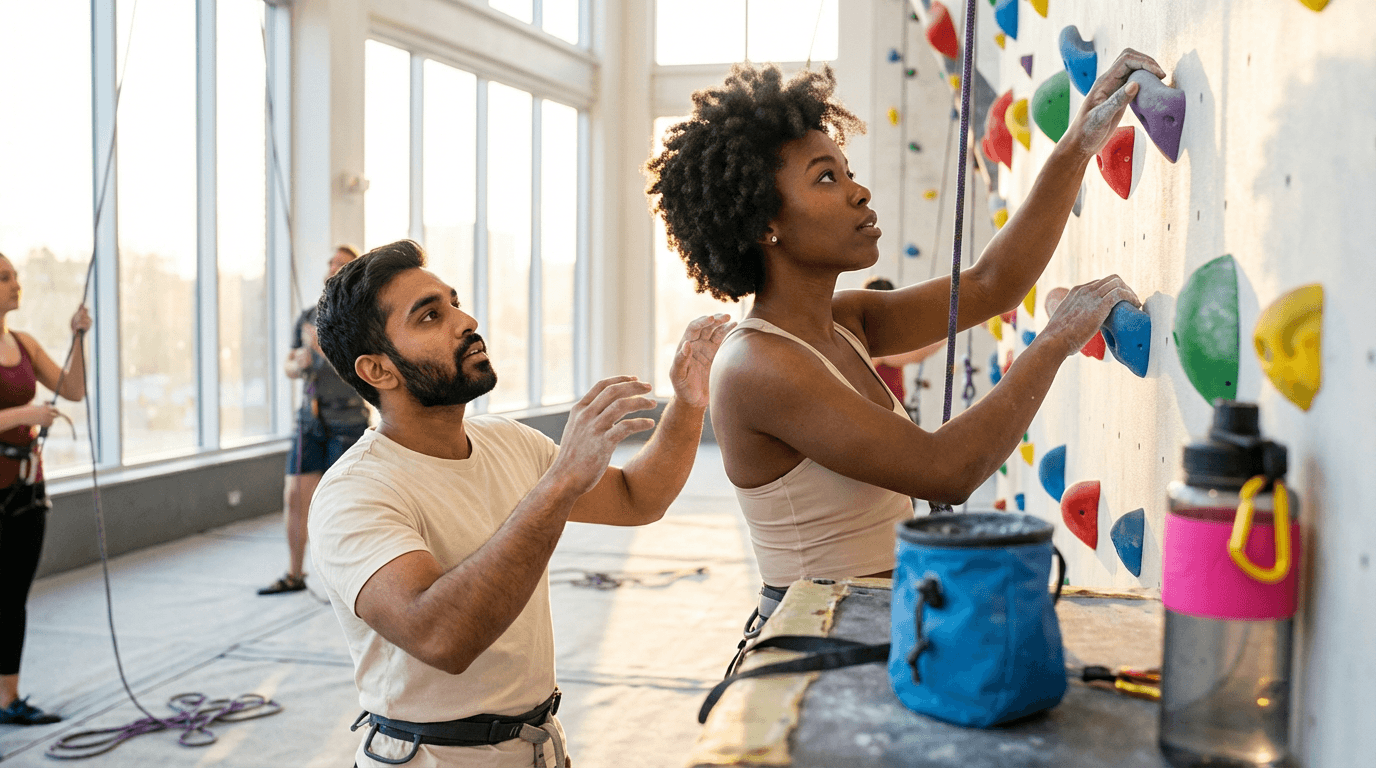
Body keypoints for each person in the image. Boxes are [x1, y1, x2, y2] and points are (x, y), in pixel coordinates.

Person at [645, 54, 1160, 634]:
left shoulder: (845, 321)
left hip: (873, 616)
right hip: (816, 637)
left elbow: (995, 284)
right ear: (767, 224)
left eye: (846, 170)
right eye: (826, 177)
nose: (859, 191)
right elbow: (945, 470)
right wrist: (1057, 339)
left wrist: (1077, 143)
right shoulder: (756, 365)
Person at [308, 240, 732, 767]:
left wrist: (689, 403)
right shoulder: (356, 491)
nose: (466, 321)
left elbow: (636, 499)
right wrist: (558, 486)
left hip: (537, 747)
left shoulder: (509, 441)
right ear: (377, 370)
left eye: (454, 302)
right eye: (430, 316)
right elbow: (442, 638)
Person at [0, 252, 91, 725]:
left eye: (15, 276)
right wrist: (21, 416)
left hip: (24, 488)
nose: (16, 284)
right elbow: (25, 413)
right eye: (4, 278)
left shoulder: (22, 342)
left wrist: (79, 338)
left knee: (12, 595)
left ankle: (7, 697)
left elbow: (73, 388)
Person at [258, 245, 371, 595]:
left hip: (348, 420)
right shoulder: (309, 316)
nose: (333, 268)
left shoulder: (362, 320)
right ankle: (295, 574)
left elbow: (363, 372)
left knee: (342, 503)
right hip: (311, 420)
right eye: (330, 263)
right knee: (295, 496)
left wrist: (323, 350)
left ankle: (352, 577)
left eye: (342, 264)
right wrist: (302, 361)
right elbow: (289, 366)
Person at [861, 277, 940, 415]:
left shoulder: (885, 336)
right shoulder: (870, 341)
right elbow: (916, 354)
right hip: (879, 414)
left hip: (893, 410)